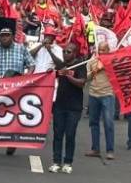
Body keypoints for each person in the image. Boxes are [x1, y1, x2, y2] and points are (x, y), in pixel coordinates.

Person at [0, 28, 35, 156]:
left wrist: (27, 77)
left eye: (7, 35)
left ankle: (11, 142)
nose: (4, 38)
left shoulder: (21, 49)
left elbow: (31, 64)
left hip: (16, 88)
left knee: (13, 115)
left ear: (12, 36)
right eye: (2, 36)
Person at [49, 43, 86, 173]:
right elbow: (53, 72)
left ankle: (68, 162)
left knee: (70, 134)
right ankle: (56, 161)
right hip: (59, 105)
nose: (65, 54)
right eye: (64, 51)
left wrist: (68, 76)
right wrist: (52, 73)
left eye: (68, 52)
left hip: (74, 107)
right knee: (58, 134)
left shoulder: (80, 65)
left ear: (75, 53)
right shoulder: (61, 66)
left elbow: (82, 83)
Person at [86, 41, 116, 159]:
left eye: (104, 50)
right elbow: (87, 78)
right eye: (100, 49)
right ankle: (95, 149)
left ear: (108, 51)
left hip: (107, 94)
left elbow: (117, 75)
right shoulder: (91, 61)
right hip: (93, 94)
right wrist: (95, 70)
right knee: (93, 122)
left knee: (108, 123)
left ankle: (110, 150)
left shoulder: (112, 61)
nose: (101, 52)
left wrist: (106, 65)